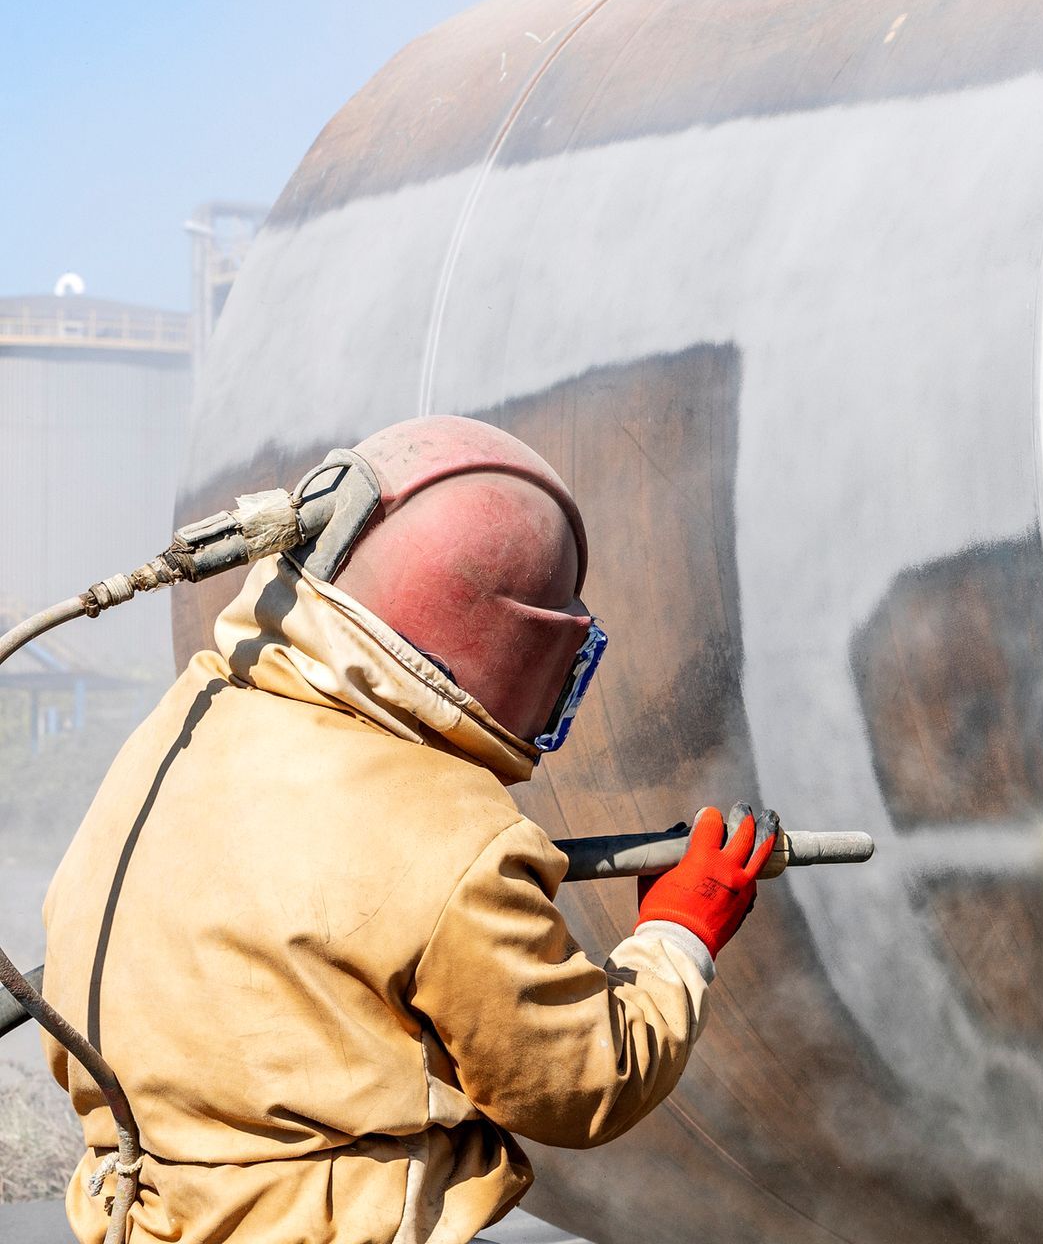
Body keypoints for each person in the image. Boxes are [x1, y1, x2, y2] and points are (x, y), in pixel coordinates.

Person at [39, 416, 770, 1243]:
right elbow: (579, 1082)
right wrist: (679, 935)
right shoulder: (453, 834)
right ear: (514, 650)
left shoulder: (186, 723)